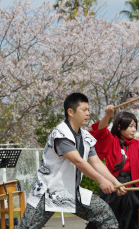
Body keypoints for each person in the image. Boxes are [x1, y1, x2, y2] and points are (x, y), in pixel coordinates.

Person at [17, 93, 125, 229]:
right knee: (26, 227)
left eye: (88, 110)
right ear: (70, 112)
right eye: (84, 109)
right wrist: (102, 180)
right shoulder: (61, 134)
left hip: (71, 192)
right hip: (48, 191)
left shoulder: (85, 136)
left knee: (106, 216)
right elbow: (78, 161)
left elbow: (96, 162)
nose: (88, 113)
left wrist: (115, 182)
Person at [86, 106, 139, 229]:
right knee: (106, 218)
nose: (134, 129)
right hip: (115, 186)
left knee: (134, 221)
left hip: (133, 186)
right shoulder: (111, 140)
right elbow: (100, 131)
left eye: (135, 126)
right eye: (130, 126)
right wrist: (108, 115)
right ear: (120, 127)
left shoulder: (137, 144)